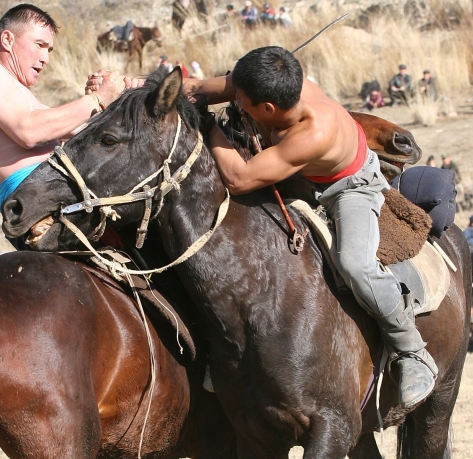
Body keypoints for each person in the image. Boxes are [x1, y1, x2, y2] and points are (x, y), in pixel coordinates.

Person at [182, 45, 438, 408]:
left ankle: (412, 351)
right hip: (297, 173)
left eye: (240, 97)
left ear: (267, 109)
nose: (234, 98)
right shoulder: (267, 86)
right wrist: (132, 87)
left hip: (347, 188)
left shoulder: (313, 132)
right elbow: (199, 88)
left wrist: (207, 124)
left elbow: (239, 179)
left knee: (356, 265)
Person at [0, 4, 128, 220]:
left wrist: (113, 100)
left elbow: (80, 131)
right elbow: (28, 131)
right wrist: (96, 99)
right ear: (8, 40)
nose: (45, 58)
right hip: (36, 200)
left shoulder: (17, 93)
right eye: (39, 45)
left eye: (49, 50)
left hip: (53, 193)